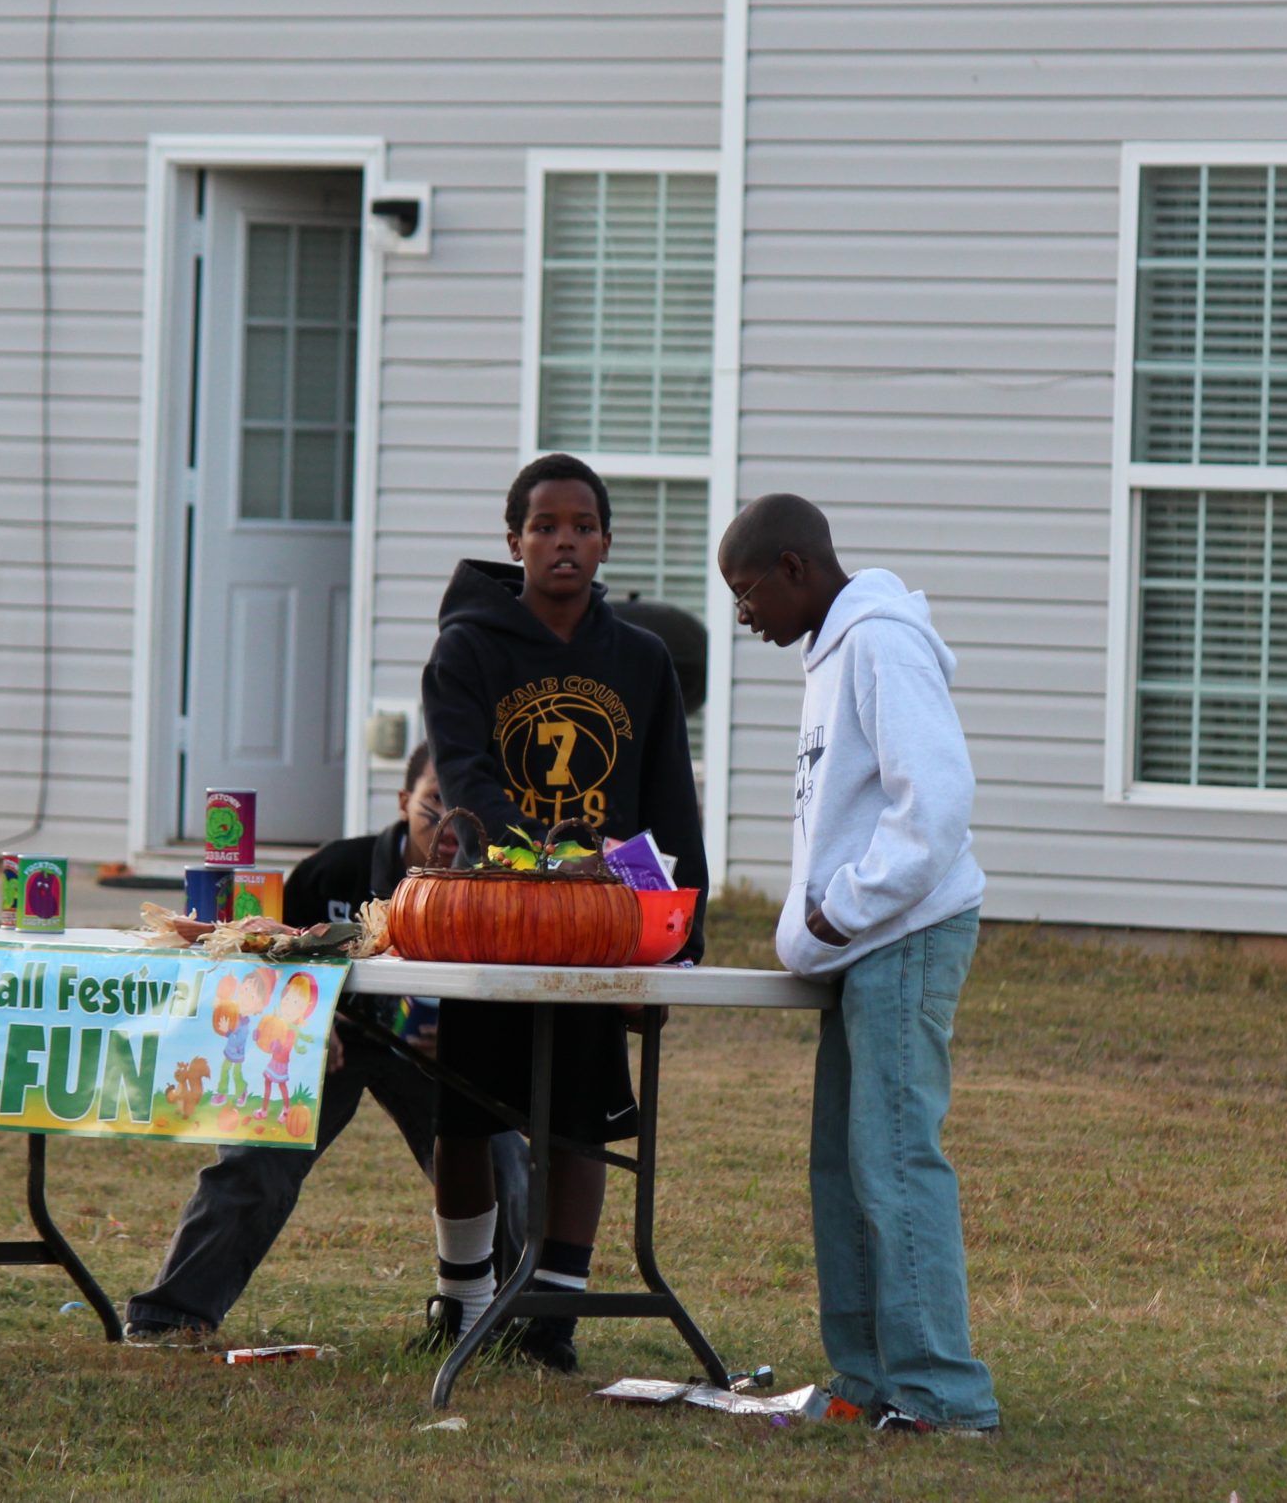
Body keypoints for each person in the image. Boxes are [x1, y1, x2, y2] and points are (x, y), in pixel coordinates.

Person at [716, 492, 999, 1437]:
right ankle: (867, 1377)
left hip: (905, 936)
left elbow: (937, 805)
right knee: (841, 1167)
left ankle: (943, 1394)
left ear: (796, 568)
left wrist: (838, 912)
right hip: (861, 949)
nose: (743, 613)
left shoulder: (882, 641)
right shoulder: (829, 652)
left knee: (895, 1162)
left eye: (749, 592)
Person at [417, 453, 708, 1373]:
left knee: (580, 1116)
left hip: (602, 925)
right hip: (497, 914)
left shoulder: (641, 659)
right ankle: (462, 1303)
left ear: (606, 542)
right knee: (468, 1115)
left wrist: (682, 937)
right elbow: (464, 779)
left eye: (583, 525)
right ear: (514, 542)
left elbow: (669, 802)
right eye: (545, 526)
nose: (565, 541)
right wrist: (538, 862)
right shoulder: (468, 648)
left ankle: (553, 1314)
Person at [125, 747, 527, 1339]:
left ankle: (520, 1322)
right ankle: (172, 1314)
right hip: (321, 1042)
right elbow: (257, 952)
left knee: (502, 1159)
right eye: (436, 800)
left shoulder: (500, 888)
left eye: (469, 808)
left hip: (432, 1054)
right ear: (402, 801)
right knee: (257, 1156)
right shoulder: (334, 871)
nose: (450, 824)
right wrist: (310, 1024)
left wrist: (475, 1033)